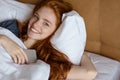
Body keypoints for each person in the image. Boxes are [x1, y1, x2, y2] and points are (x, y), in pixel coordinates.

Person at [0, 0, 97, 80]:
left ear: (56, 31)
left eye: (46, 23)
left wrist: (82, 54)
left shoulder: (46, 58)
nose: (35, 24)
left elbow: (90, 73)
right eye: (36, 16)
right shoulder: (12, 27)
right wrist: (3, 39)